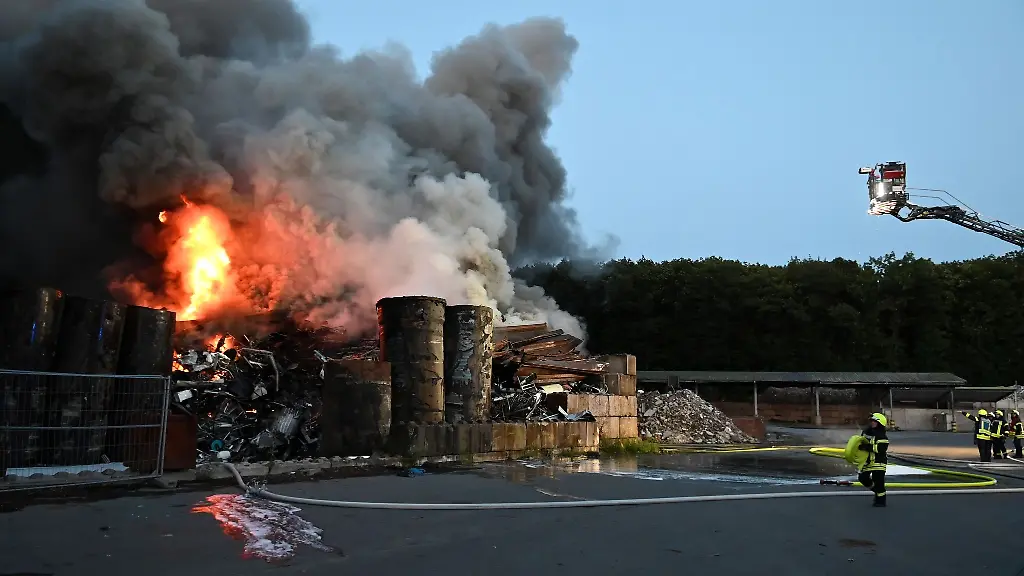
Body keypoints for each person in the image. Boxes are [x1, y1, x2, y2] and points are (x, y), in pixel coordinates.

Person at [857, 413, 889, 507]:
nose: (872, 423)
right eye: (872, 421)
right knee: (862, 478)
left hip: (879, 462)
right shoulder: (866, 432)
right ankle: (878, 492)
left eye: (874, 421)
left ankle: (881, 501)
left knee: (879, 482)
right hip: (867, 461)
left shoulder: (882, 436)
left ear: (880, 423)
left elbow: (880, 449)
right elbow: (859, 441)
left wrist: (866, 447)